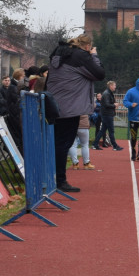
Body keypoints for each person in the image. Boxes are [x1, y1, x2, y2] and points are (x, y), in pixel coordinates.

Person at [45, 34, 106, 192]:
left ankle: (51, 177)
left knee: (57, 143)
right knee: (63, 144)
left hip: (55, 104)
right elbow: (99, 73)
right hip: (70, 107)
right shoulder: (81, 55)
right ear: (87, 46)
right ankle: (60, 180)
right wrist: (94, 56)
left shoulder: (59, 54)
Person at [93, 80, 119, 151]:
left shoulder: (108, 93)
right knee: (111, 131)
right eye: (114, 85)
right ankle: (115, 146)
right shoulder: (107, 93)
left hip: (106, 114)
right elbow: (107, 104)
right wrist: (114, 105)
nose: (115, 87)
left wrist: (113, 104)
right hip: (107, 115)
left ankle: (95, 144)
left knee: (102, 130)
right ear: (110, 86)